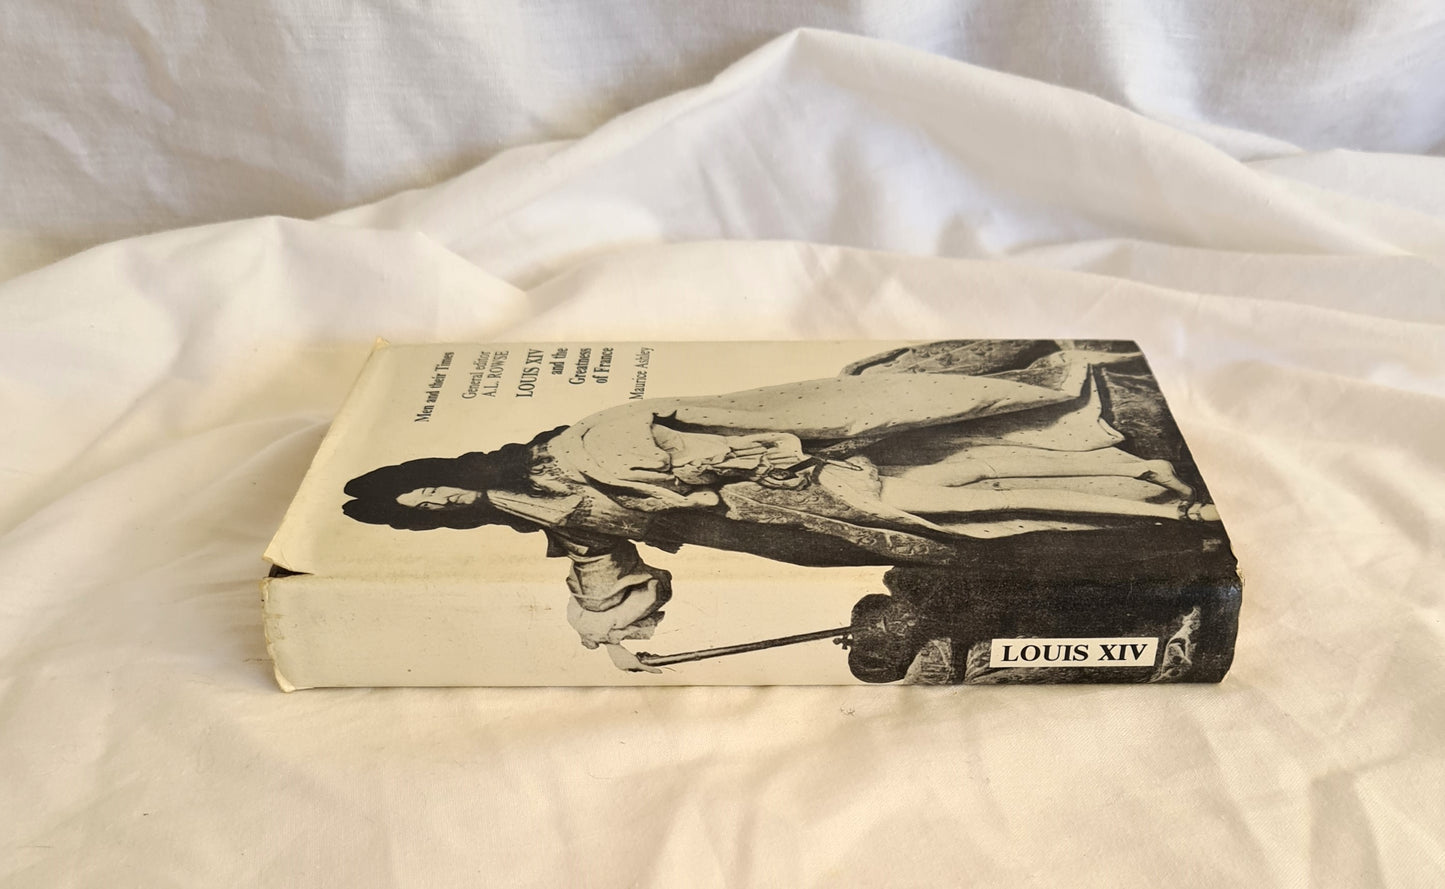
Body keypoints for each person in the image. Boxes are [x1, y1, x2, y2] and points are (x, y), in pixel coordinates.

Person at [343, 343, 1221, 672]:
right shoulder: (538, 505)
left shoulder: (579, 450)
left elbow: (751, 433)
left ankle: (1129, 484)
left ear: (442, 467)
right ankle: (1127, 515)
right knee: (960, 529)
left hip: (818, 476)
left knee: (957, 494)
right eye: (425, 508)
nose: (438, 498)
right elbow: (597, 561)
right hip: (790, 522)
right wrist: (610, 636)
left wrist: (759, 473)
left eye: (426, 485)